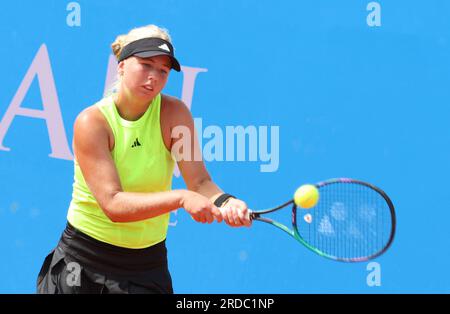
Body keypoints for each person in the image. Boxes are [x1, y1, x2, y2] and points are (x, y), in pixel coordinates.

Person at [36, 24, 251, 294]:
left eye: (163, 70)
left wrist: (226, 201)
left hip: (146, 268)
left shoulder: (175, 114)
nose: (154, 77)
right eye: (146, 65)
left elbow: (199, 182)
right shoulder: (92, 122)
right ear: (122, 65)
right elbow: (113, 204)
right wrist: (181, 198)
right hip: (82, 264)